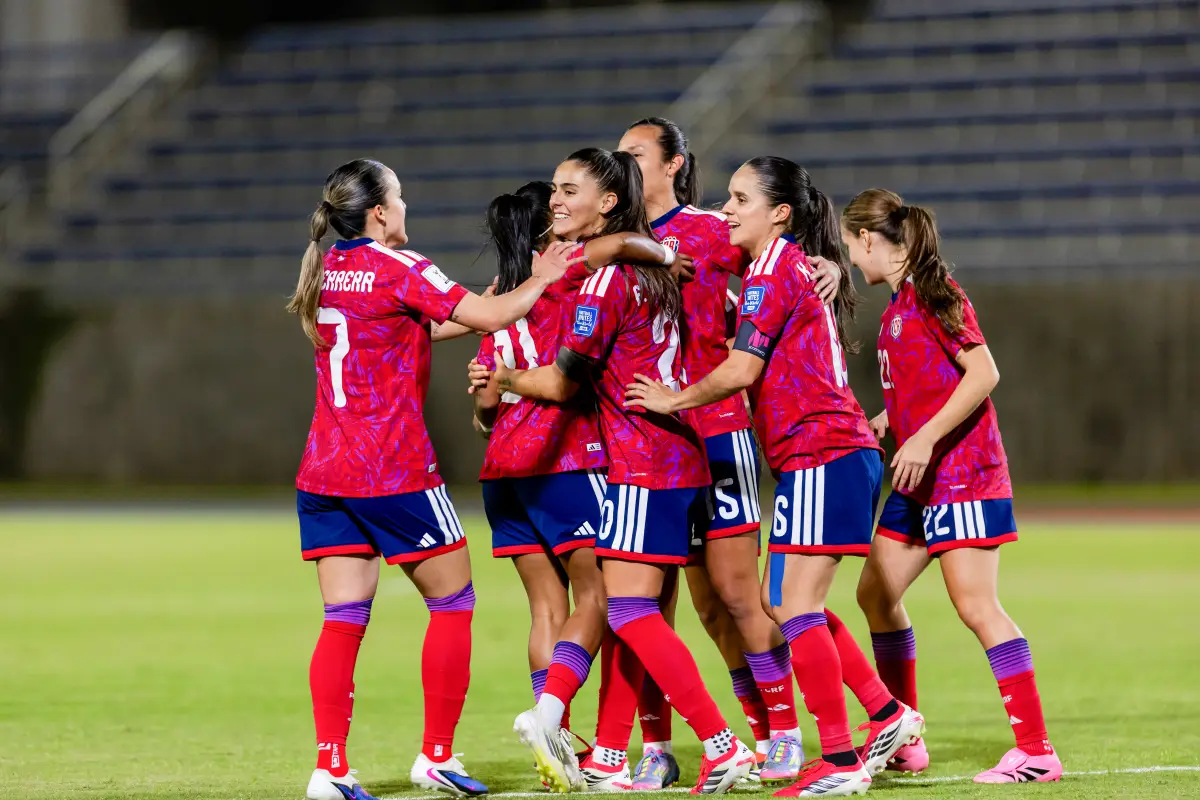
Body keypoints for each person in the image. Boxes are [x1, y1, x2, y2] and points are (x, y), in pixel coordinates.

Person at [626, 157, 924, 798]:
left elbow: (741, 370)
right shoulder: (779, 266)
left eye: (741, 199)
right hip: (818, 454)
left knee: (791, 606)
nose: (727, 210)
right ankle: (885, 714)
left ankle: (840, 758)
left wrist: (673, 400)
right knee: (783, 602)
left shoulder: (769, 272)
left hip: (823, 449)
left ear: (780, 212)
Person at [289, 159, 570, 800]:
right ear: (379, 212)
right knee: (453, 602)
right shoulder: (402, 266)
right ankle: (436, 756)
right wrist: (540, 279)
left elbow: (415, 324)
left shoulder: (325, 269)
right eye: (400, 197)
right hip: (393, 470)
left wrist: (493, 301)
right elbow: (489, 318)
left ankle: (329, 769)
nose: (405, 207)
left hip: (325, 472)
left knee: (342, 620)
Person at [485, 147, 756, 795]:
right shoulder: (654, 272)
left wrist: (503, 378)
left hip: (639, 459)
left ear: (607, 202)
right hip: (676, 455)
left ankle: (721, 745)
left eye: (568, 189)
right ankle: (603, 749)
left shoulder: (606, 282)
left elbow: (562, 382)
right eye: (554, 189)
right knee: (638, 607)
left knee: (629, 610)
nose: (555, 200)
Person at [614, 118, 839, 789]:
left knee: (739, 598)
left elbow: (784, 263)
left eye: (635, 155)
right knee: (669, 609)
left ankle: (782, 735)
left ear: (674, 164)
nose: (623, 165)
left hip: (715, 430)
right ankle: (658, 747)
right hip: (645, 441)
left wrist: (829, 263)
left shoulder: (715, 229)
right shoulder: (611, 241)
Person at [468, 180, 689, 793]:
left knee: (547, 609)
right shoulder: (569, 285)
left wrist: (491, 388)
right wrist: (667, 255)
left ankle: (557, 738)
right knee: (606, 600)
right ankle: (555, 721)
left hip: (501, 470)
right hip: (566, 461)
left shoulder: (500, 301)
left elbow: (485, 407)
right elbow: (574, 374)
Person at [840, 189, 1063, 784]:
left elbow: (983, 372)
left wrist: (922, 438)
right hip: (920, 483)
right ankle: (902, 735)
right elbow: (929, 383)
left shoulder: (936, 293)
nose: (851, 259)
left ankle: (1037, 752)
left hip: (963, 475)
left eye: (850, 245)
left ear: (868, 239)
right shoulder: (897, 306)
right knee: (875, 594)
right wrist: (890, 420)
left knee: (976, 606)